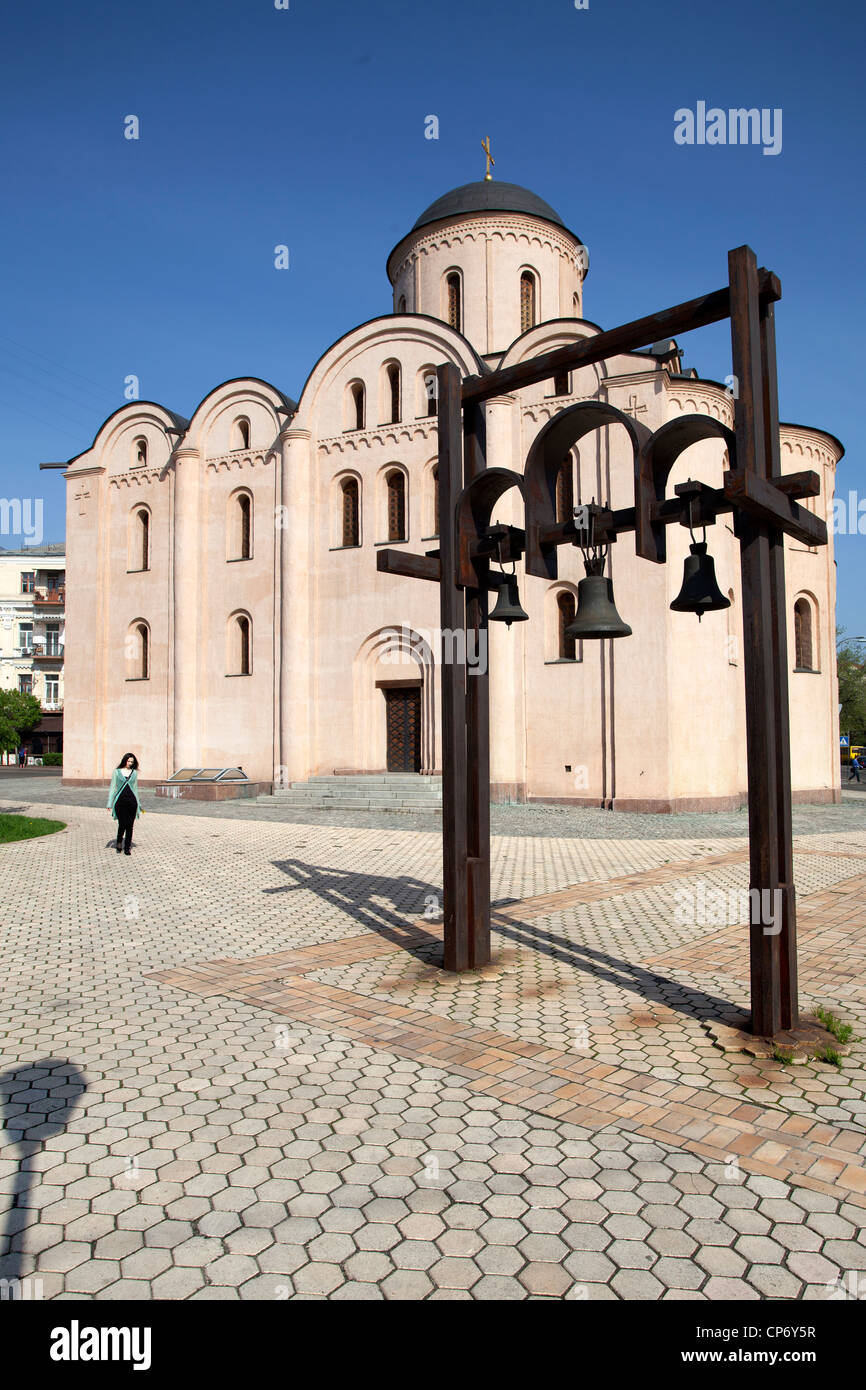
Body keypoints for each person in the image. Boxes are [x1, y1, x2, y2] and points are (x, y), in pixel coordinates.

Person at [107, 752, 142, 854]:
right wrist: (109, 803)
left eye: (132, 762)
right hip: (120, 802)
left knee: (130, 826)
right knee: (122, 824)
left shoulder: (134, 773)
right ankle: (119, 843)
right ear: (124, 760)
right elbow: (113, 788)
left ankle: (127, 847)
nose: (130, 763)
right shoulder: (117, 772)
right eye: (128, 761)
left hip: (132, 802)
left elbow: (135, 789)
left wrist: (138, 804)